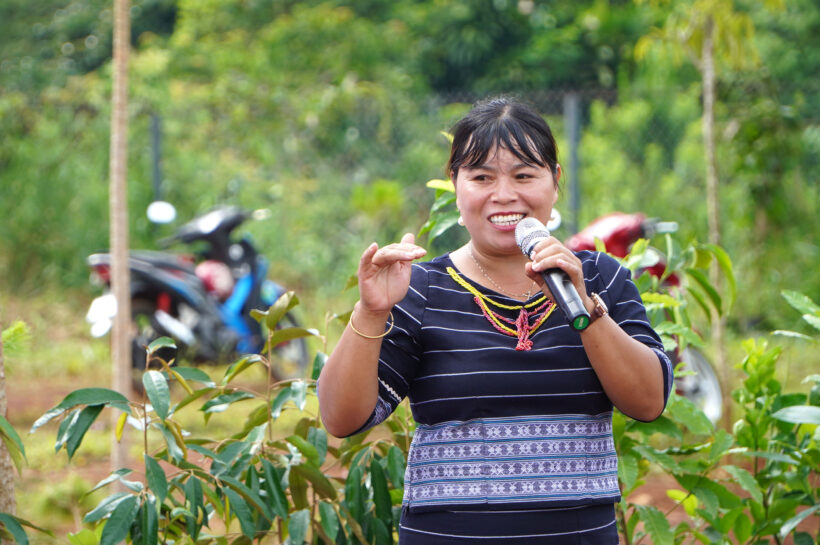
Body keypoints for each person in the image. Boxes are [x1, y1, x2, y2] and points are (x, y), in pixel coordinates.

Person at [317, 97, 673, 544]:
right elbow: (341, 418)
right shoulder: (420, 288)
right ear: (455, 183)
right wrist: (371, 310)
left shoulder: (602, 278)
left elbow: (648, 402)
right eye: (482, 177)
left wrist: (585, 308)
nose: (504, 195)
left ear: (555, 181)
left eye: (524, 175)